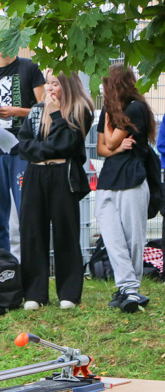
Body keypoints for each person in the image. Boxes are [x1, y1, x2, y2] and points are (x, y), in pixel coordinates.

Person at [17, 70, 93, 310]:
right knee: (32, 232)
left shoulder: (80, 110)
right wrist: (48, 150)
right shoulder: (36, 110)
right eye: (47, 84)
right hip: (35, 174)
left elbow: (70, 143)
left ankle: (69, 293)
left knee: (65, 232)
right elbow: (24, 144)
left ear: (67, 86)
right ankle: (34, 294)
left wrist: (57, 114)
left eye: (55, 84)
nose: (49, 89)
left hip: (63, 176)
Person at [95, 64, 156, 313]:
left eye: (106, 83)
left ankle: (130, 288)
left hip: (132, 180)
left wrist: (112, 142)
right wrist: (117, 148)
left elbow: (108, 140)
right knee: (112, 238)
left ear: (116, 84)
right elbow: (102, 148)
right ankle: (128, 288)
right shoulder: (108, 111)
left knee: (133, 239)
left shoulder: (136, 108)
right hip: (108, 181)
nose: (103, 88)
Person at [0, 49, 46, 256]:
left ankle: (29, 263)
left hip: (21, 149)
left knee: (26, 210)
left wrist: (16, 111)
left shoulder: (29, 68)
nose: (2, 48)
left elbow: (43, 108)